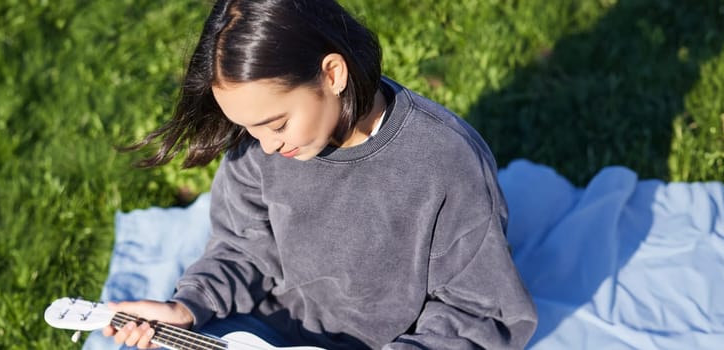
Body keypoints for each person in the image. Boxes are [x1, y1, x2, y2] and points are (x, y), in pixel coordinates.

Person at [104, 0, 537, 348]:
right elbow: (242, 248)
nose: (266, 145)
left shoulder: (444, 162)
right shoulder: (258, 144)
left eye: (275, 124)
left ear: (332, 74)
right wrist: (189, 307)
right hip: (267, 329)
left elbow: (479, 312)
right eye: (247, 128)